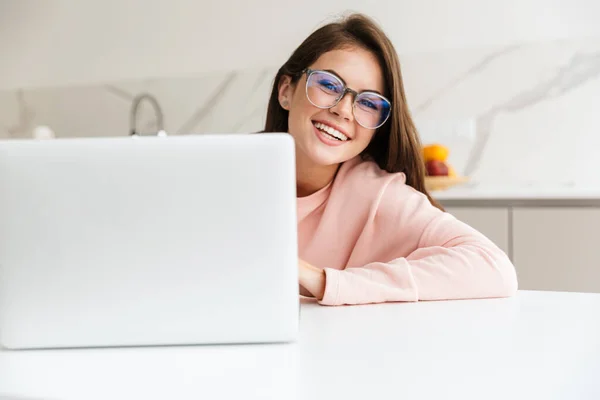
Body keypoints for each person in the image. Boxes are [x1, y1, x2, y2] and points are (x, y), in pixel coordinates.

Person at [261, 13, 518, 306]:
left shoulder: (379, 194)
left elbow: (493, 267)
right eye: (329, 85)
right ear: (286, 90)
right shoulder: (231, 174)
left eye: (368, 102)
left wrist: (322, 280)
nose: (344, 110)